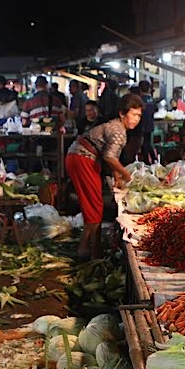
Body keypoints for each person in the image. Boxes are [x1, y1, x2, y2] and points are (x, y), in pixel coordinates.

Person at [65, 93, 142, 258]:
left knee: (94, 205)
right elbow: (109, 157)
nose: (136, 119)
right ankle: (84, 248)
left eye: (139, 116)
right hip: (82, 159)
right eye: (133, 114)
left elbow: (111, 157)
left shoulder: (117, 127)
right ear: (122, 113)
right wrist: (126, 175)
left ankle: (95, 249)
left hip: (80, 158)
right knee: (94, 206)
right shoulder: (118, 131)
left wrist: (117, 177)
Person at [120, 86, 144, 166]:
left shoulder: (135, 107)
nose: (136, 118)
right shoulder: (116, 129)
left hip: (133, 135)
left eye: (139, 116)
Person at [138, 80, 157, 164]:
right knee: (147, 142)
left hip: (141, 125)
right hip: (150, 124)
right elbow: (155, 109)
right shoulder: (151, 100)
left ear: (140, 89)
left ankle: (147, 161)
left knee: (145, 144)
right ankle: (153, 159)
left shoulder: (139, 100)